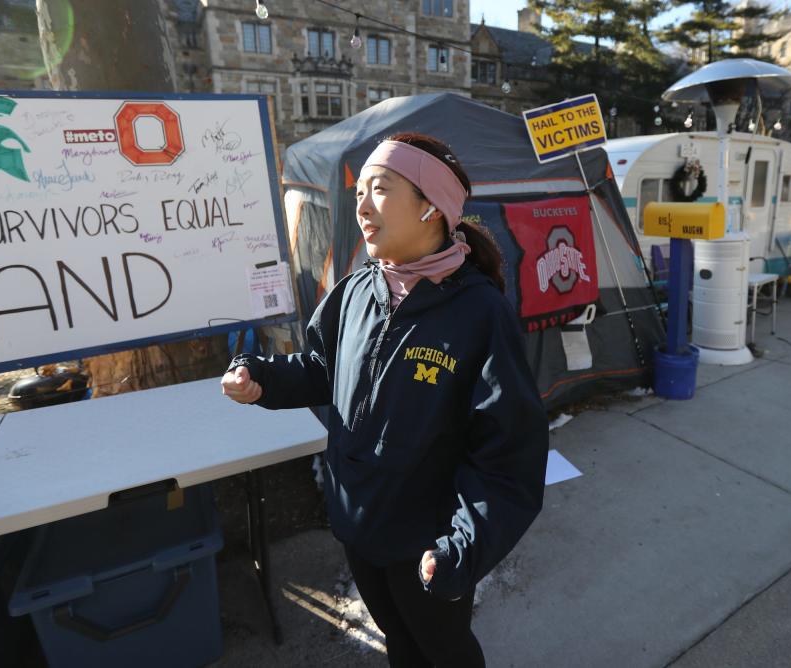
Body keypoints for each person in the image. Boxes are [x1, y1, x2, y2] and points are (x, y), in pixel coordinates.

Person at [222, 132, 548, 667]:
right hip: (359, 524)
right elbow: (323, 368)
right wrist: (260, 377)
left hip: (428, 546)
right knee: (399, 641)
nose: (362, 207)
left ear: (431, 207)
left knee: (443, 651)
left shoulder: (479, 315)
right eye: (359, 193)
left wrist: (461, 548)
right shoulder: (354, 291)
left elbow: (508, 456)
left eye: (380, 190)